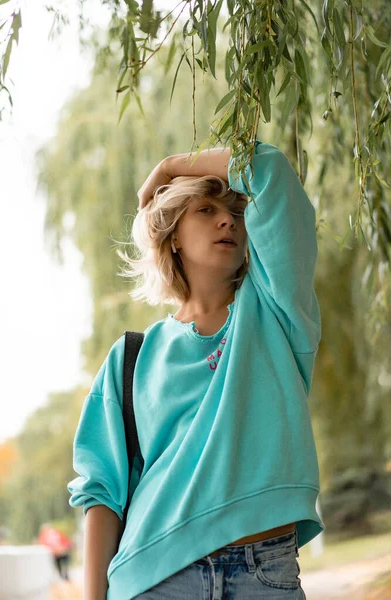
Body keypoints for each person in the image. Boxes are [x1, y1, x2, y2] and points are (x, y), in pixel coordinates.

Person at [68, 139, 324, 600]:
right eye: (205, 209)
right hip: (155, 578)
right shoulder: (129, 358)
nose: (227, 219)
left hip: (265, 572)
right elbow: (102, 491)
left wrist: (169, 167)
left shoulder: (277, 315)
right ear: (173, 235)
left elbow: (269, 171)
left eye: (236, 211)